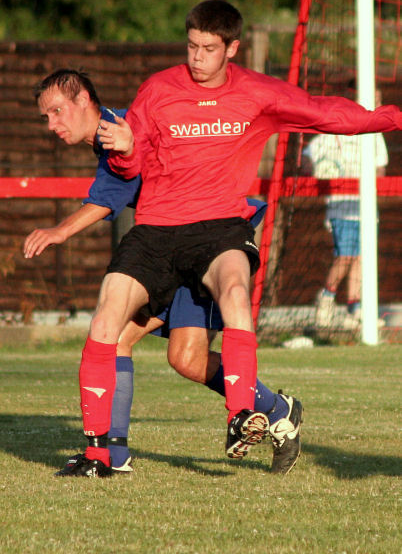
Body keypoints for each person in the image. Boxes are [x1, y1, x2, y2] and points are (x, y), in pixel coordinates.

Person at [44, 0, 401, 478]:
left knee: (191, 344)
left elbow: (327, 114)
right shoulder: (157, 91)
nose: (196, 57)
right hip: (158, 237)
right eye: (191, 46)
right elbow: (134, 165)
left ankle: (248, 414)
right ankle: (109, 454)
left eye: (208, 48)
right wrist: (128, 150)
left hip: (215, 234)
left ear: (232, 48)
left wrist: (393, 116)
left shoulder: (256, 92)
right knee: (144, 341)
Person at [27, 69, 294, 477]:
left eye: (57, 111)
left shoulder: (122, 129)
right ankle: (112, 454)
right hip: (167, 247)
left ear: (83, 99)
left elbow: (109, 196)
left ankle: (276, 409)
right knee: (148, 347)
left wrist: (59, 230)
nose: (52, 124)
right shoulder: (113, 135)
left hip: (206, 239)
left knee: (183, 356)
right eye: (45, 117)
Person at [302, 90, 388, 330]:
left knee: (362, 258)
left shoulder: (375, 133)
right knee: (346, 255)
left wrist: (369, 181)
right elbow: (307, 156)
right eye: (375, 99)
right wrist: (316, 170)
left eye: (380, 100)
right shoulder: (334, 131)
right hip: (341, 208)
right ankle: (326, 299)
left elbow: (380, 169)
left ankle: (355, 308)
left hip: (366, 208)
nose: (379, 104)